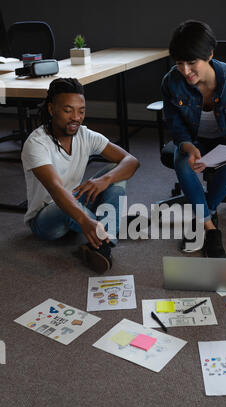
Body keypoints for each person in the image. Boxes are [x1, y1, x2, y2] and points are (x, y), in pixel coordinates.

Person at [21, 77, 139, 272]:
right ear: (52, 109)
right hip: (46, 220)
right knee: (63, 205)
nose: (76, 117)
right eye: (68, 110)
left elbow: (131, 161)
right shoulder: (37, 143)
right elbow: (56, 191)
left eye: (81, 111)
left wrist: (105, 180)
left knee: (114, 171)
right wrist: (84, 220)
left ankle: (101, 239)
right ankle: (108, 237)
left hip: (76, 202)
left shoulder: (86, 135)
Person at [161, 20, 226, 257]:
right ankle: (211, 228)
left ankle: (202, 217)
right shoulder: (171, 82)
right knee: (183, 162)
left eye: (192, 63)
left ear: (210, 55)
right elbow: (175, 124)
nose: (185, 71)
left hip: (223, 141)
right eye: (179, 63)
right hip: (192, 140)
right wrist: (188, 145)